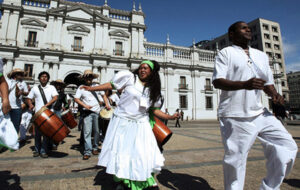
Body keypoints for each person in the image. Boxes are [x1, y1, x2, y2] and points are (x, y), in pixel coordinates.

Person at [212, 21, 298, 190]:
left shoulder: (261, 55)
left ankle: (269, 187)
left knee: (287, 146)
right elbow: (217, 81)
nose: (248, 30)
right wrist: (245, 84)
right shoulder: (226, 53)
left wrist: (274, 94)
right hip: (235, 115)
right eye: (243, 28)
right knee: (236, 161)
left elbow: (267, 82)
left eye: (249, 28)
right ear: (232, 34)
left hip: (260, 113)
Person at [81, 60, 179, 190]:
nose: (142, 70)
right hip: (123, 122)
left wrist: (170, 117)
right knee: (123, 152)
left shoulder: (152, 90)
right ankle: (123, 179)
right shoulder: (129, 78)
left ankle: (141, 179)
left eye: (146, 68)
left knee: (140, 154)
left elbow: (154, 110)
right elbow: (111, 85)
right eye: (141, 67)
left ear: (152, 72)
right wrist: (92, 88)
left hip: (141, 124)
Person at [26, 71, 58, 158]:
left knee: (46, 134)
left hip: (48, 113)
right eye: (42, 76)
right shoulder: (35, 88)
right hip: (38, 114)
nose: (44, 78)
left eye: (46, 77)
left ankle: (43, 150)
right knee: (37, 134)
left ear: (48, 79)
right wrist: (30, 104)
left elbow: (55, 97)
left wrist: (46, 105)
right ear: (39, 78)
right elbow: (28, 98)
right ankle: (37, 150)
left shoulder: (51, 87)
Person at [74, 70, 104, 160]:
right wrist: (85, 106)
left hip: (97, 112)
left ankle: (95, 148)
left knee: (97, 132)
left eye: (90, 77)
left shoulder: (96, 86)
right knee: (87, 132)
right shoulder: (81, 87)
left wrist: (102, 101)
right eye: (87, 77)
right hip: (87, 113)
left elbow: (102, 96)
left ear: (92, 78)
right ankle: (87, 151)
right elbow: (76, 99)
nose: (89, 79)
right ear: (84, 78)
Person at [6, 68, 29, 134]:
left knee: (15, 125)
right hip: (7, 106)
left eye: (21, 74)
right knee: (5, 124)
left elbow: (27, 93)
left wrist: (21, 92)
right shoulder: (7, 81)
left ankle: (13, 142)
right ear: (14, 74)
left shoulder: (23, 83)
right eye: (19, 74)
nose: (20, 75)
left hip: (17, 108)